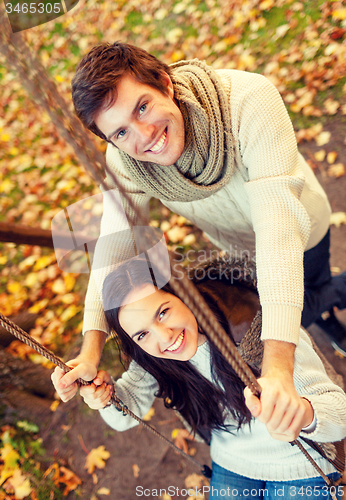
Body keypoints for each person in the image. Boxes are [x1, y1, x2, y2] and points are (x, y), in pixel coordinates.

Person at [52, 41, 346, 427]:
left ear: (164, 83)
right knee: (297, 309)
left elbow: (279, 231)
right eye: (121, 132)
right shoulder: (127, 163)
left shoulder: (247, 100)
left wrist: (277, 366)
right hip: (239, 246)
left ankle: (332, 300)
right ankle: (324, 320)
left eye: (142, 106)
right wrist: (90, 350)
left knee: (312, 285)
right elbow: (115, 245)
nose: (143, 135)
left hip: (299, 226)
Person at [52, 256, 346, 499]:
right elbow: (125, 416)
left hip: (302, 462)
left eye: (163, 312)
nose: (164, 337)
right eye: (142, 334)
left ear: (183, 295)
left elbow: (340, 414)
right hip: (234, 462)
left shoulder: (260, 327)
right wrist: (101, 395)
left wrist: (304, 414)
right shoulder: (155, 359)